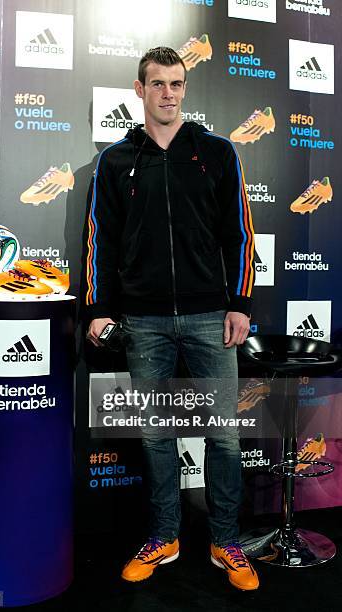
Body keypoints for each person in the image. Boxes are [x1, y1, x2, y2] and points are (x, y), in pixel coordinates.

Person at [82, 47, 257, 591]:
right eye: (158, 84)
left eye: (177, 84)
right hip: (144, 321)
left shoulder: (217, 153)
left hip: (211, 317)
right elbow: (100, 243)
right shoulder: (115, 162)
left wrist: (239, 303)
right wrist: (97, 308)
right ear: (139, 90)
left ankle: (226, 540)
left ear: (185, 87)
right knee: (157, 436)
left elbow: (240, 235)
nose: (169, 94)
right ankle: (165, 535)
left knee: (224, 438)